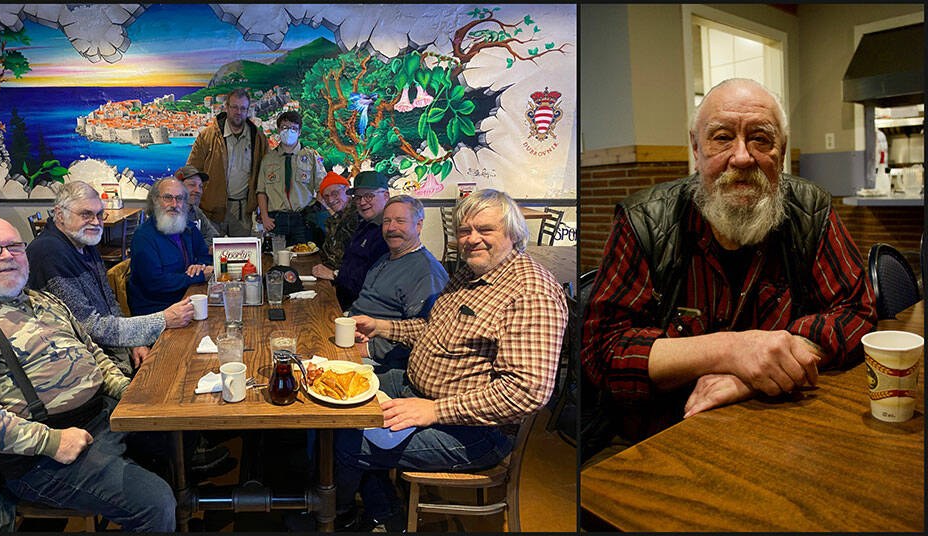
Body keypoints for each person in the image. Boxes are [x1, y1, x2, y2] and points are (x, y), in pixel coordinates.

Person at [581, 78, 876, 450]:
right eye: (722, 137)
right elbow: (603, 352)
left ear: (781, 153)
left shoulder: (811, 209)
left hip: (781, 427)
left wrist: (757, 371)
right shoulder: (643, 220)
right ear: (696, 148)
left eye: (761, 138)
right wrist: (734, 350)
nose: (741, 157)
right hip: (663, 434)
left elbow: (857, 310)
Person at [337, 189, 568, 531]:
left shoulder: (530, 292)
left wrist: (432, 411)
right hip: (415, 390)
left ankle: (343, 518)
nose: (472, 239)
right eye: (464, 230)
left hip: (472, 431)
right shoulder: (470, 273)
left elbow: (525, 392)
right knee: (338, 402)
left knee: (344, 441)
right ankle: (383, 506)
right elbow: (431, 329)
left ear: (512, 233)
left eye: (485, 230)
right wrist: (381, 327)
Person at [0, 216, 175, 532]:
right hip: (43, 456)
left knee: (176, 431)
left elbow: (93, 353)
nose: (7, 256)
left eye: (15, 247)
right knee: (155, 504)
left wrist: (125, 390)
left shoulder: (44, 300)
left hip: (101, 417)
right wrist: (50, 441)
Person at [27, 180, 195, 377]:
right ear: (59, 214)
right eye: (86, 214)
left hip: (112, 353)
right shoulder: (49, 252)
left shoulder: (85, 243)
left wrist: (134, 341)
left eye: (99, 215)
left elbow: (110, 304)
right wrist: (162, 320)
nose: (96, 222)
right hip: (82, 368)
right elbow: (88, 326)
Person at [348, 195, 449, 385]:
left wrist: (368, 349)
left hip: (382, 362)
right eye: (387, 221)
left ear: (418, 226)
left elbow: (427, 335)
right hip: (354, 335)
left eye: (400, 221)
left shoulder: (427, 273)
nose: (391, 228)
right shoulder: (387, 257)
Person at [186, 88, 269, 237]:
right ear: (226, 108)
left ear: (247, 110)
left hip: (243, 211)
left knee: (242, 255)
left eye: (243, 108)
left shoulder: (258, 138)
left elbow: (266, 174)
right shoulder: (207, 136)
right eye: (234, 107)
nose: (238, 112)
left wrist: (263, 209)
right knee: (210, 254)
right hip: (211, 210)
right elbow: (192, 170)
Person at [128, 178, 215, 315]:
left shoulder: (189, 228)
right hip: (157, 311)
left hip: (188, 300)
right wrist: (198, 276)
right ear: (155, 200)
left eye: (179, 198)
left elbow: (205, 255)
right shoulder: (143, 236)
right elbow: (155, 283)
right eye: (168, 197)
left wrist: (200, 266)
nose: (174, 204)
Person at [319, 170, 391, 311]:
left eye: (369, 196)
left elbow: (371, 284)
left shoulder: (388, 232)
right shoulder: (365, 224)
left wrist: (334, 275)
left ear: (386, 196)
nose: (362, 202)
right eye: (358, 197)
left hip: (360, 310)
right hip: (343, 295)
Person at [255, 110, 326, 246]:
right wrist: (264, 216)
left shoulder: (310, 156)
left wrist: (315, 212)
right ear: (278, 130)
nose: (289, 132)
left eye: (293, 128)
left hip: (302, 219)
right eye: (285, 128)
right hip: (276, 219)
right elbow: (261, 191)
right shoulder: (268, 159)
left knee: (303, 257)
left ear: (299, 132)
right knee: (277, 260)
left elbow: (323, 187)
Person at [311, 172, 361, 279]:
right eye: (326, 196)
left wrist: (334, 275)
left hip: (344, 281)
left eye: (335, 193)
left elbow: (359, 264)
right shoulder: (333, 220)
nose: (330, 200)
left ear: (347, 190)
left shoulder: (358, 216)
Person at [177, 164, 222, 249]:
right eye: (192, 185)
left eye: (200, 186)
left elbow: (214, 237)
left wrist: (196, 247)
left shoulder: (197, 212)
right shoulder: (169, 213)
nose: (198, 190)